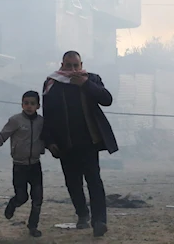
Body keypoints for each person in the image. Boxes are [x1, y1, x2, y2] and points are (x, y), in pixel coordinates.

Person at [41, 51, 118, 238]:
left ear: (81, 64)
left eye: (76, 65)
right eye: (69, 66)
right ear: (62, 65)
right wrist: (49, 141)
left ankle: (99, 221)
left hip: (89, 141)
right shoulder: (53, 83)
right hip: (65, 143)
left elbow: (107, 99)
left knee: (94, 180)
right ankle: (82, 214)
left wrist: (85, 84)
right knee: (73, 182)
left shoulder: (91, 79)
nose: (73, 70)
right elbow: (48, 114)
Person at [0, 91, 45, 238]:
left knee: (37, 198)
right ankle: (13, 204)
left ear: (38, 106)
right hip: (20, 166)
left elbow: (48, 138)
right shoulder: (15, 120)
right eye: (26, 103)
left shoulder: (41, 122)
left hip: (35, 165)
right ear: (22, 104)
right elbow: (2, 135)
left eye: (32, 104)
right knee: (22, 196)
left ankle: (33, 226)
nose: (29, 106)